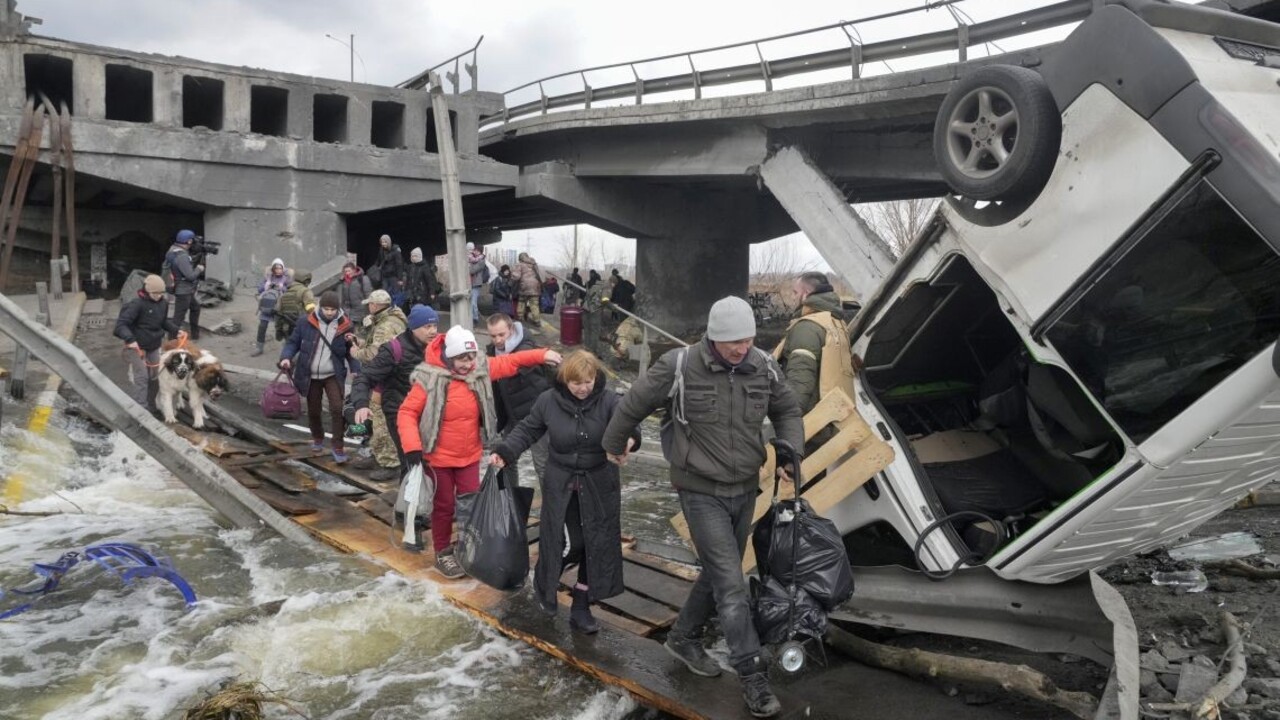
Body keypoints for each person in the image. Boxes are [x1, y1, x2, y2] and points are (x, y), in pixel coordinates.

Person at [601, 296, 803, 719]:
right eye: (733, 342)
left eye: (748, 340)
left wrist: (790, 453)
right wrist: (615, 444)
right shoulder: (679, 366)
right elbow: (633, 403)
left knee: (717, 570)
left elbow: (787, 409)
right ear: (713, 337)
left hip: (744, 488)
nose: (742, 349)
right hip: (698, 489)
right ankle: (752, 676)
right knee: (732, 584)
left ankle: (683, 638)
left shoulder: (763, 365)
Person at [488, 351, 640, 634]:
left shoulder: (609, 400)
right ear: (564, 380)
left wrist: (629, 440)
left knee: (596, 545)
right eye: (576, 383)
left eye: (588, 381)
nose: (583, 388)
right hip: (562, 483)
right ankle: (545, 582)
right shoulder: (548, 401)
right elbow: (527, 430)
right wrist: (505, 452)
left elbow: (629, 424)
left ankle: (581, 604)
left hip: (599, 483)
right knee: (573, 543)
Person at [397, 326, 562, 579]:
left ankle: (467, 547)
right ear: (450, 357)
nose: (468, 364)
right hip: (438, 457)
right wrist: (412, 447)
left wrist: (542, 354)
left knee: (471, 504)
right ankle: (443, 551)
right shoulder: (429, 378)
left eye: (471, 357)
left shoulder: (479, 370)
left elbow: (511, 361)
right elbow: (407, 412)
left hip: (469, 455)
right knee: (444, 506)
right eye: (462, 359)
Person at [351, 304, 440, 477]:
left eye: (435, 326)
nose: (433, 331)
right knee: (411, 464)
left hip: (428, 413)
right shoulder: (394, 349)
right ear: (413, 327)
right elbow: (365, 376)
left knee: (432, 463)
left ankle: (428, 492)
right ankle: (407, 492)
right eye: (427, 326)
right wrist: (361, 404)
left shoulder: (438, 347)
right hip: (400, 413)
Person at [279, 291, 358, 463]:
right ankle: (317, 437)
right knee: (314, 410)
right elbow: (293, 342)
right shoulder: (305, 321)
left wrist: (355, 368)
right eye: (326, 309)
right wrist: (286, 357)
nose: (329, 312)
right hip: (310, 374)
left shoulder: (346, 325)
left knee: (337, 408)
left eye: (332, 309)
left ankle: (338, 446)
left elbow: (350, 351)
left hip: (333, 374)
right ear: (320, 307)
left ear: (338, 309)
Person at [775, 271, 855, 419]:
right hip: (835, 416)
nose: (792, 297)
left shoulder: (807, 328)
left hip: (811, 419)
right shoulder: (836, 322)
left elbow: (800, 382)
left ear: (806, 294)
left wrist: (787, 420)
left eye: (795, 292)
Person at [348, 289, 408, 481]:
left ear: (375, 305)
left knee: (381, 421)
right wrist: (361, 342)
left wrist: (356, 353)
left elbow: (376, 355)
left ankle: (390, 463)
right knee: (377, 420)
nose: (368, 307)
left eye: (370, 304)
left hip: (385, 381)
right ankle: (378, 453)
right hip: (389, 378)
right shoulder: (391, 320)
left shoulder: (385, 326)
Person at [485, 313, 550, 488]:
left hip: (536, 416)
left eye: (501, 334)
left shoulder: (526, 347)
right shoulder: (492, 351)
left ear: (511, 330)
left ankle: (551, 503)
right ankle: (510, 499)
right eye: (493, 336)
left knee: (542, 465)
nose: (498, 340)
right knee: (506, 460)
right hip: (510, 415)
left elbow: (517, 363)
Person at [114, 274, 181, 411]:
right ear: (147, 291)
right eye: (155, 293)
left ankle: (151, 405)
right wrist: (130, 339)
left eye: (161, 293)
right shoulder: (137, 304)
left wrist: (175, 330)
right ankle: (141, 408)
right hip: (136, 346)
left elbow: (162, 321)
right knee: (142, 377)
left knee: (155, 377)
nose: (158, 296)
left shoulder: (163, 303)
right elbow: (121, 325)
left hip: (154, 344)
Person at [163, 229, 203, 340]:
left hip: (181, 288)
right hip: (183, 290)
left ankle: (195, 335)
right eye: (192, 240)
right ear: (189, 241)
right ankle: (172, 340)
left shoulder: (172, 250)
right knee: (178, 317)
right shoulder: (182, 256)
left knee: (195, 308)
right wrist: (199, 269)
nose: (194, 242)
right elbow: (190, 276)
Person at [252, 259, 291, 357]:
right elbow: (259, 289)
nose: (278, 270)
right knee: (262, 326)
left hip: (279, 308)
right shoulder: (268, 277)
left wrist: (282, 287)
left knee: (283, 328)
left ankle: (288, 349)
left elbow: (290, 291)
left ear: (283, 268)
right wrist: (267, 285)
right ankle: (259, 347)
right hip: (267, 307)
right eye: (276, 268)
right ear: (273, 269)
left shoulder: (286, 279)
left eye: (280, 268)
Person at [275, 269, 315, 342]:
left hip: (287, 327)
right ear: (306, 281)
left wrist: (278, 329)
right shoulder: (305, 291)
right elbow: (311, 309)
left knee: (290, 345)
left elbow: (278, 312)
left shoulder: (285, 293)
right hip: (302, 326)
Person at [511, 251, 543, 331]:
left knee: (521, 302)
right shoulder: (533, 264)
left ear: (520, 258)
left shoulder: (520, 264)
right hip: (535, 287)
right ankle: (537, 321)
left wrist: (511, 275)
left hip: (524, 286)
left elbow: (516, 277)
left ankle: (520, 318)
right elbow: (539, 275)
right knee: (534, 304)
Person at [374, 234, 406, 307]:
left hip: (394, 276)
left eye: (385, 242)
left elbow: (399, 265)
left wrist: (400, 279)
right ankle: (386, 308)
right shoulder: (381, 250)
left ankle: (395, 308)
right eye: (382, 242)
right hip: (385, 275)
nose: (383, 244)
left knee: (395, 294)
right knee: (385, 294)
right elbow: (378, 261)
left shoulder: (395, 250)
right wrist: (374, 269)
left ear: (388, 242)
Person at [466, 241, 487, 326]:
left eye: (478, 251)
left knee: (473, 303)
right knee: (469, 302)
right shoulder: (471, 258)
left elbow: (472, 270)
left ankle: (475, 319)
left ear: (481, 252)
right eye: (475, 250)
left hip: (476, 284)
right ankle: (470, 318)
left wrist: (468, 265)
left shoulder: (481, 260)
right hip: (469, 283)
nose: (476, 252)